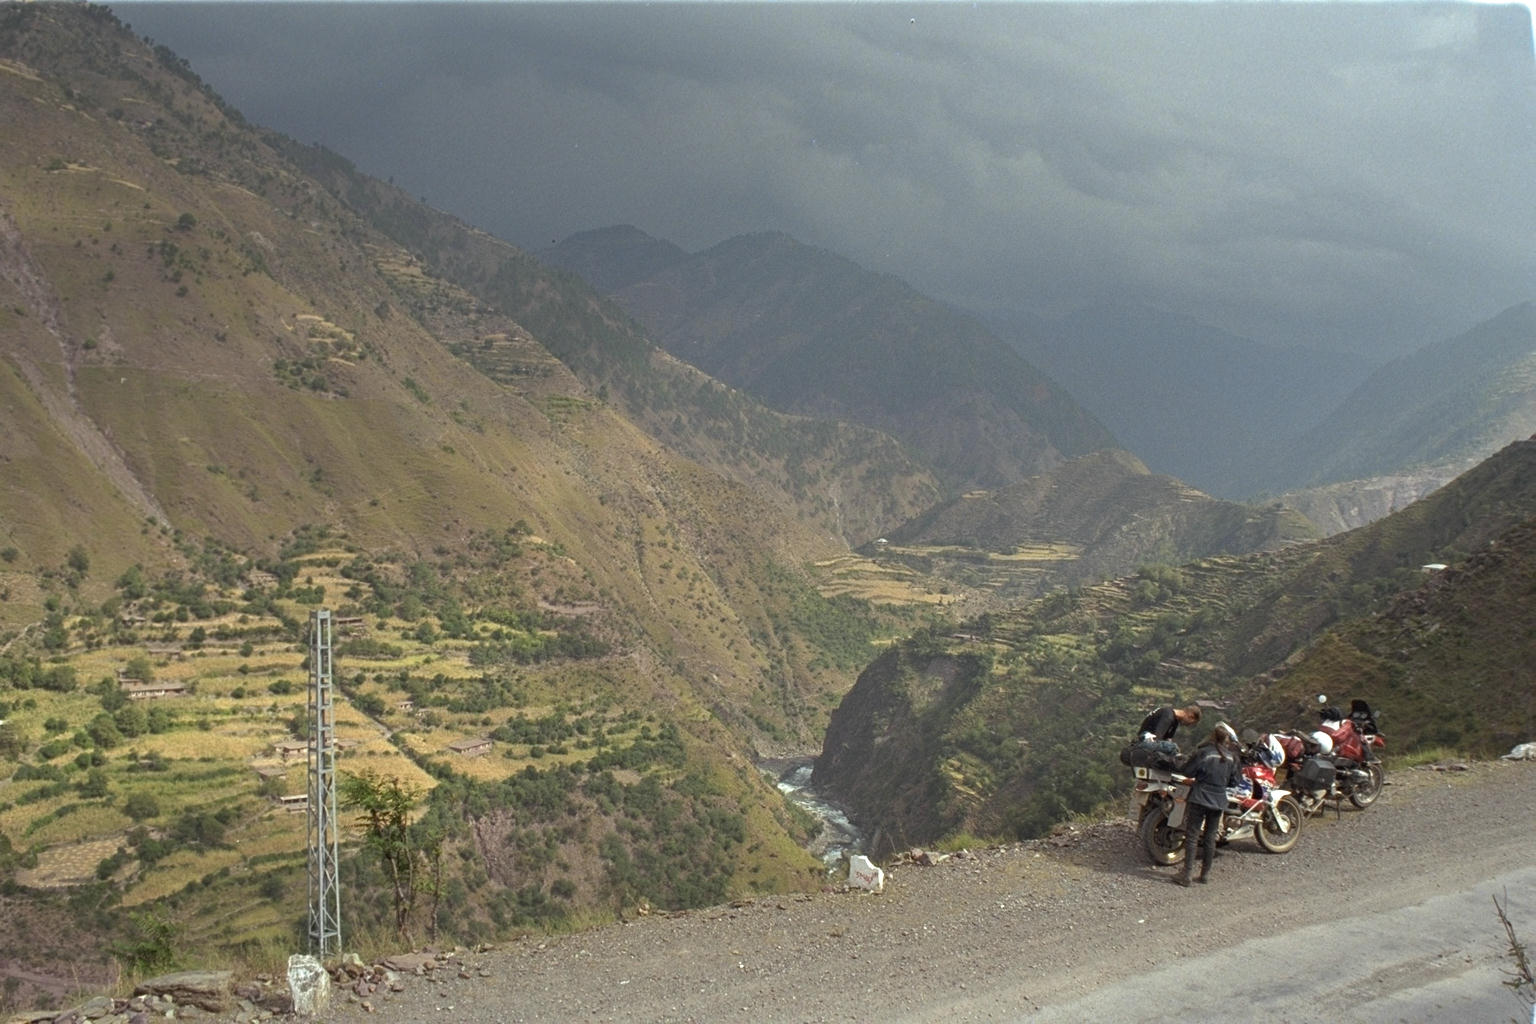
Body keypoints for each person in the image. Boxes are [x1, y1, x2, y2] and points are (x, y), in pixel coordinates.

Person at [1174, 722, 1240, 887]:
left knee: (1192, 835)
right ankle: (1205, 875)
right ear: (1227, 740)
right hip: (1219, 801)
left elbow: (1187, 771)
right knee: (1211, 837)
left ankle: (1187, 874)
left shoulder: (1203, 753)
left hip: (1200, 797)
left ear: (1212, 737)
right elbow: (1234, 782)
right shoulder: (1232, 758)